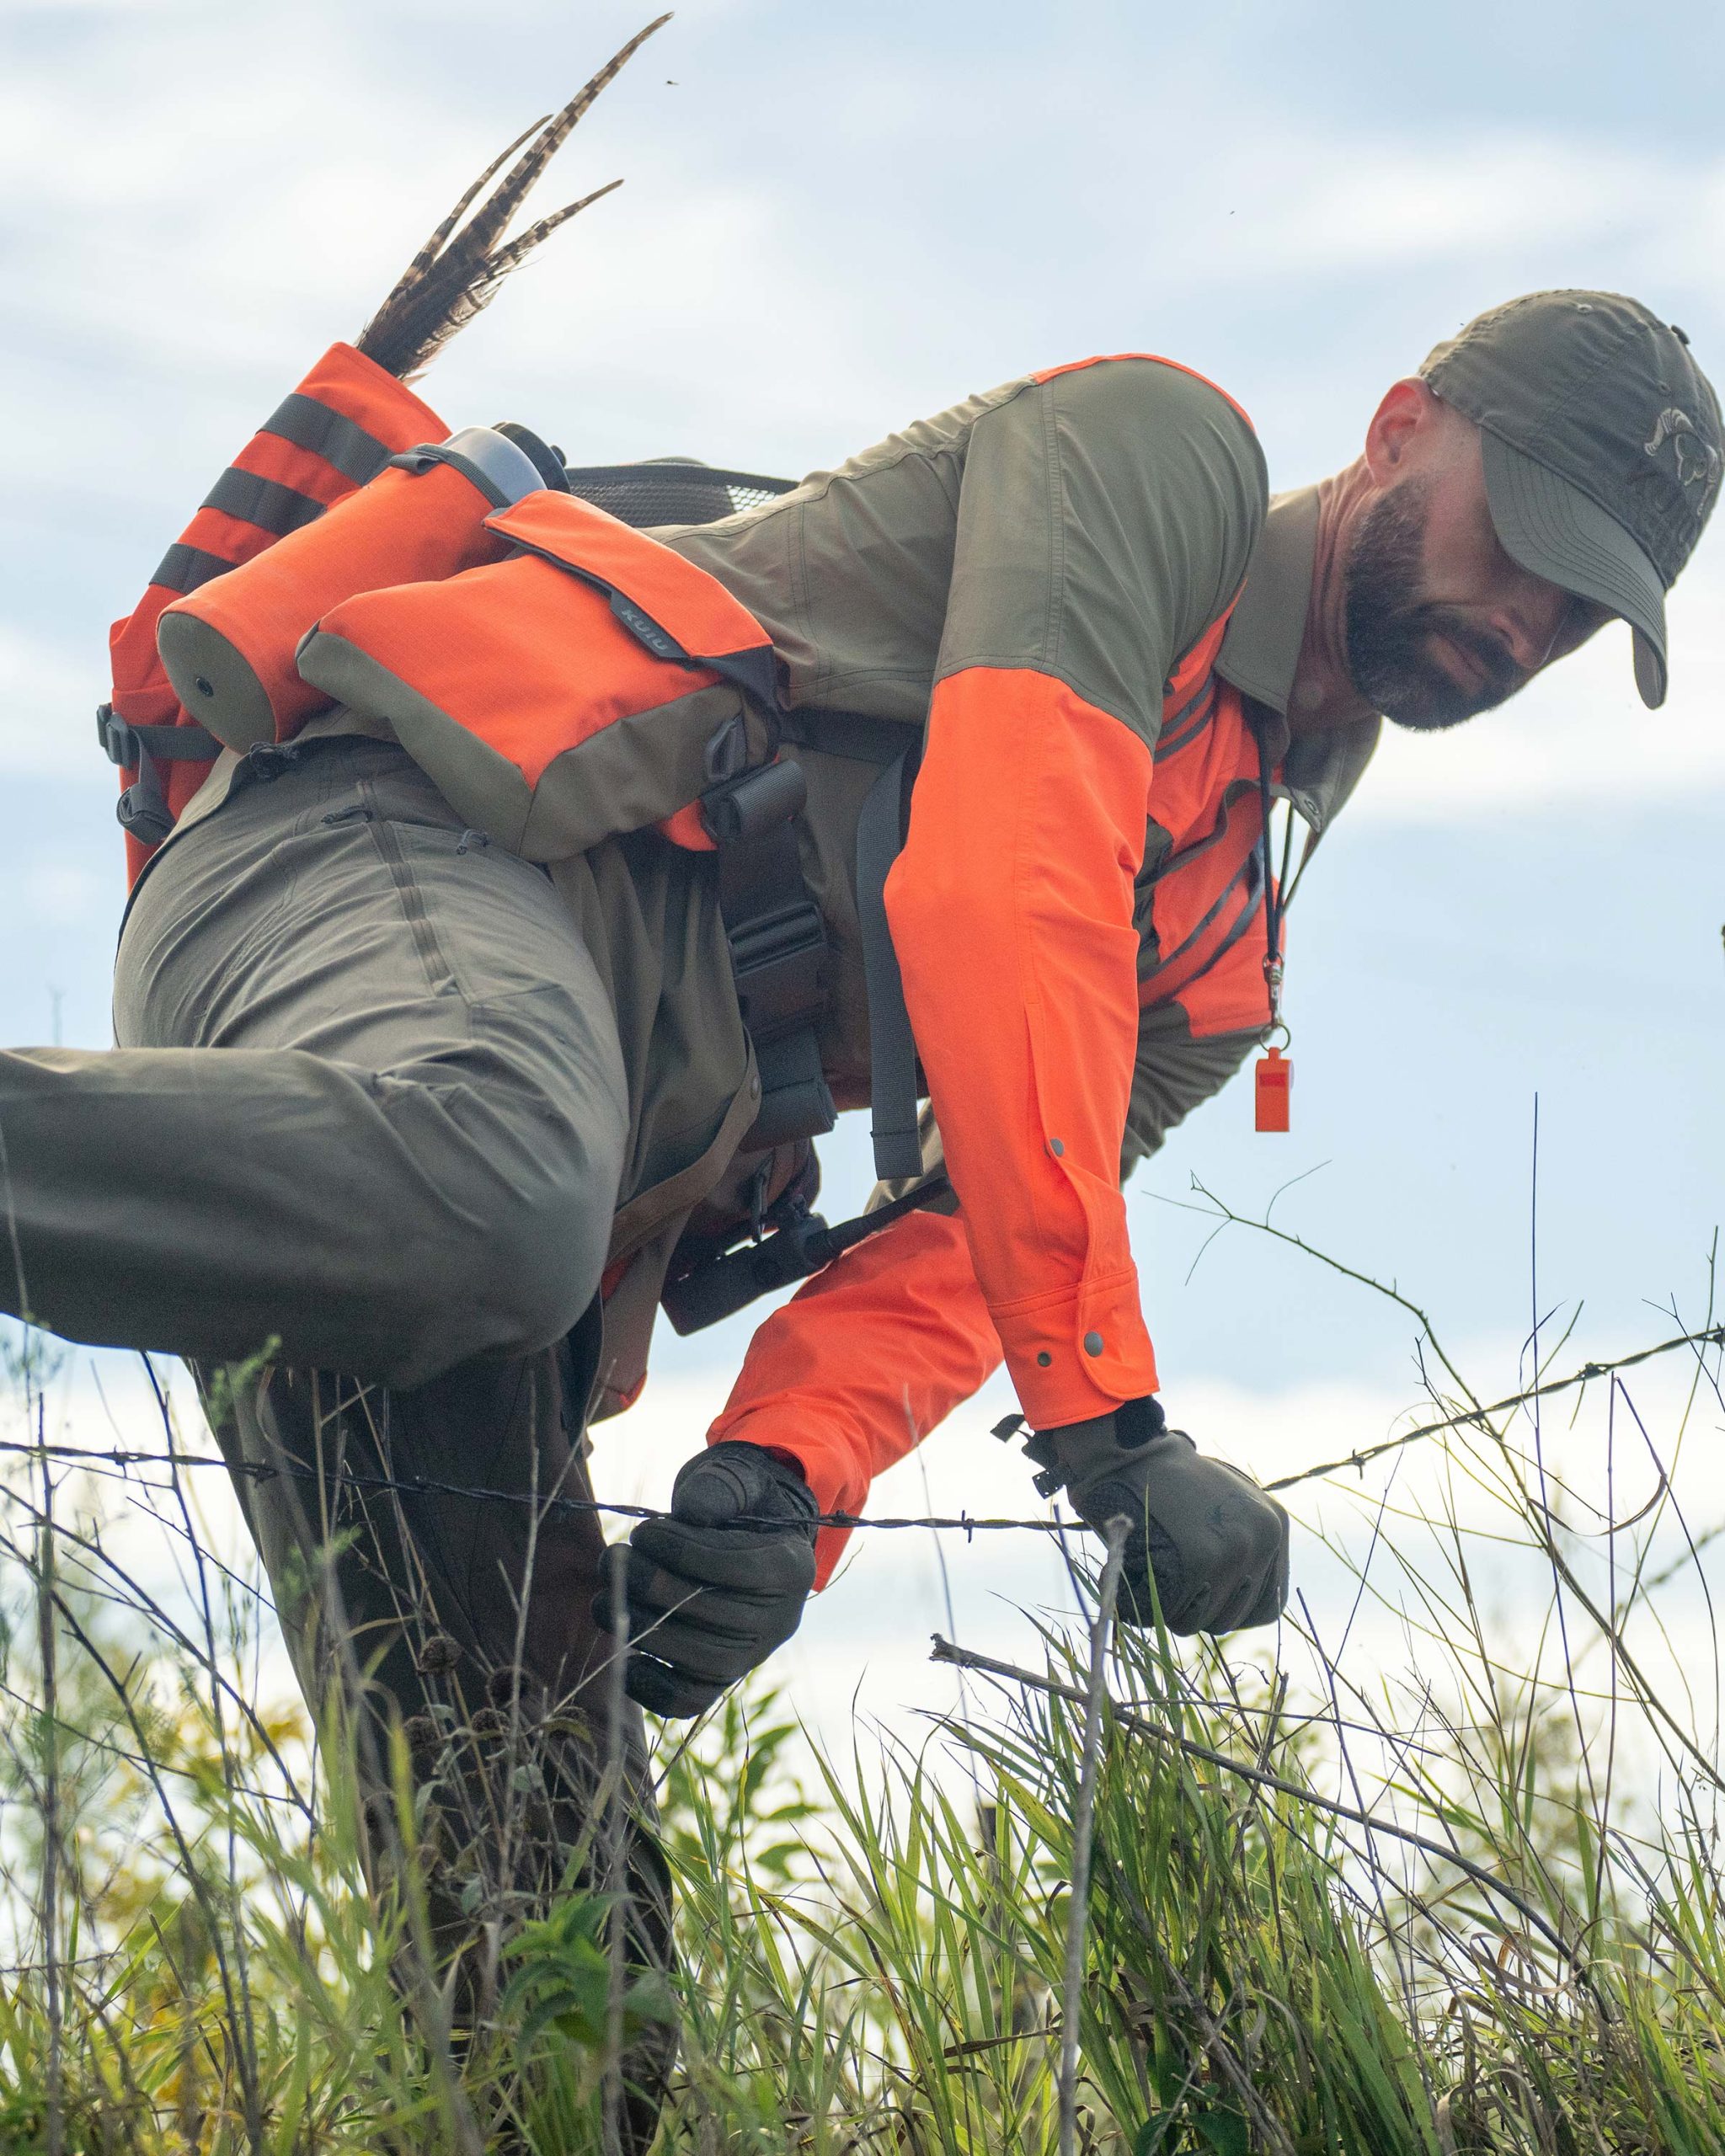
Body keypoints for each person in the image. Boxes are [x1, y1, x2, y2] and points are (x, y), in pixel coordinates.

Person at [3, 50, 1717, 2138]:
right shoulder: (1152, 458)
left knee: (551, 1984)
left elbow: (957, 1237)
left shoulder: (1225, 941)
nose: (1515, 618)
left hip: (508, 1174)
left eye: (1576, 610)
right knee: (498, 1186)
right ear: (1396, 433)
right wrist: (1108, 1421)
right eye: (1511, 541)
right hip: (398, 848)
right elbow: (1002, 871)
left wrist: (781, 1480)